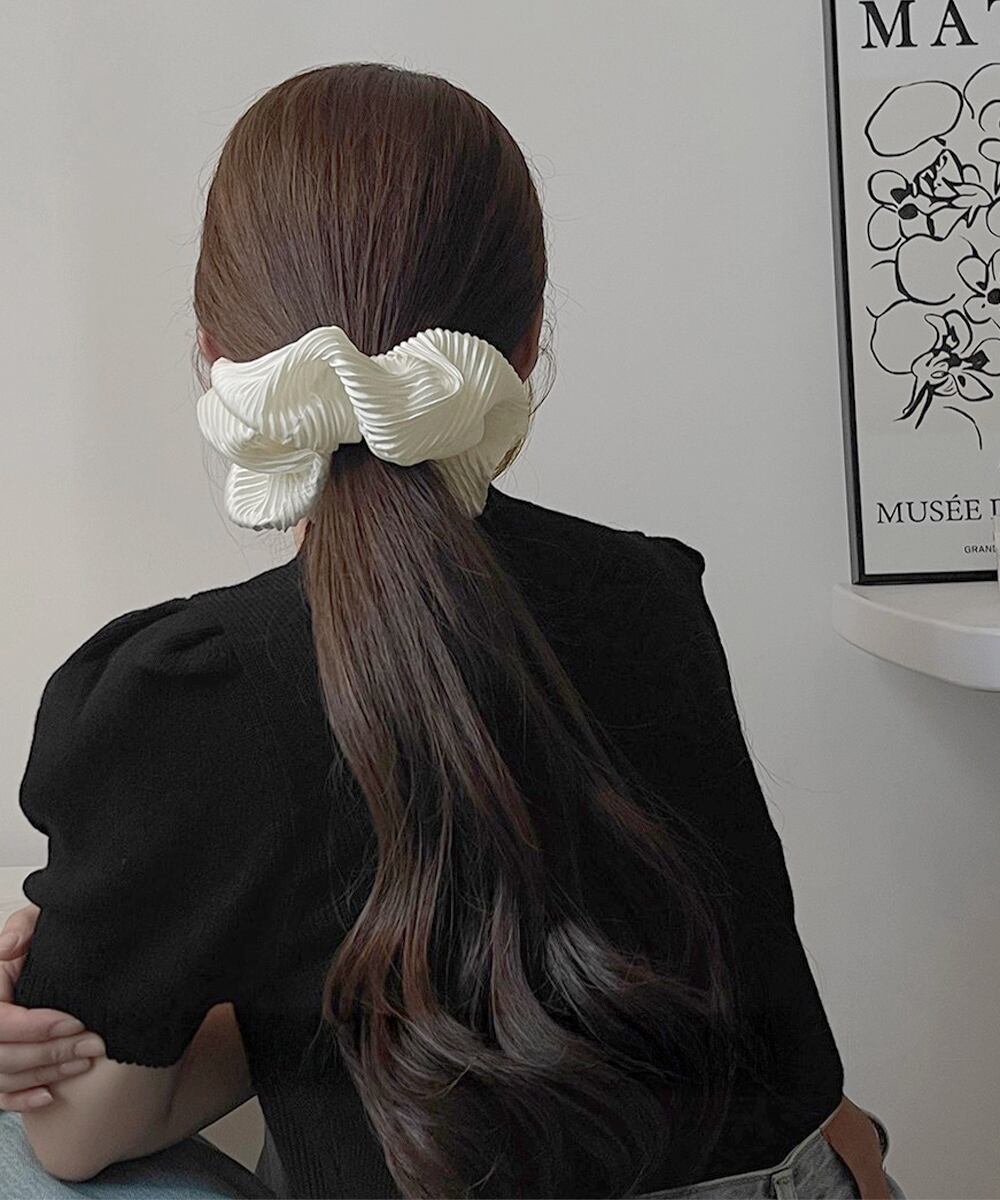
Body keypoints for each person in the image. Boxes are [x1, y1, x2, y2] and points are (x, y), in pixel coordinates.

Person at [0, 62, 907, 1200]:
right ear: (525, 346)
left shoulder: (191, 701)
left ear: (214, 356)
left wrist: (157, 969)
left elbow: (79, 1136)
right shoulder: (653, 598)